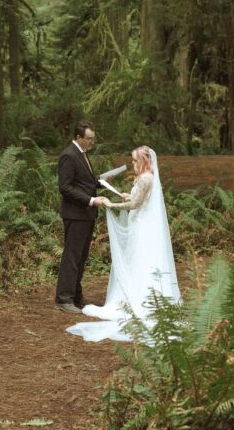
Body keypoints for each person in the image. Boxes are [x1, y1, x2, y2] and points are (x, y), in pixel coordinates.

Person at [66, 146, 182, 342]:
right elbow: (141, 199)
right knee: (137, 262)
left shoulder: (146, 178)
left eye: (136, 161)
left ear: (145, 161)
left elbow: (136, 205)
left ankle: (140, 300)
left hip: (141, 226)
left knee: (140, 261)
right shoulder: (146, 177)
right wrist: (127, 195)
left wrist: (113, 205)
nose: (133, 164)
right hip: (139, 222)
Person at [55, 120, 108, 314]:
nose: (92, 143)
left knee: (81, 256)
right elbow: (65, 187)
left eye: (94, 139)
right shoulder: (69, 155)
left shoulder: (82, 154)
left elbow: (84, 181)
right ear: (79, 137)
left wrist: (101, 182)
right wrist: (91, 200)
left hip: (86, 215)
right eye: (89, 139)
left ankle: (76, 296)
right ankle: (64, 298)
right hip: (75, 214)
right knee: (72, 256)